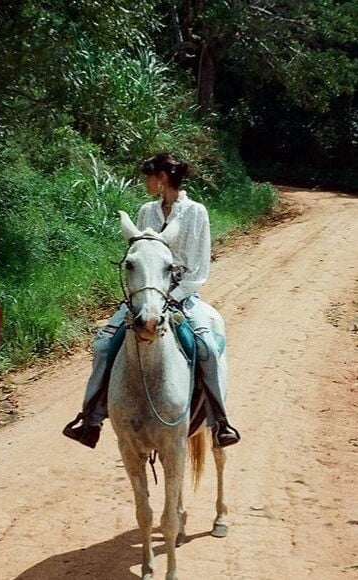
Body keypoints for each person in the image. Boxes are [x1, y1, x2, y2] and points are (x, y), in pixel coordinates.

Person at [63, 152, 241, 449]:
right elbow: (140, 259)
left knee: (207, 347)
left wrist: (170, 297)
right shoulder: (147, 211)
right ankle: (90, 419)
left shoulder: (196, 212)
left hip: (182, 296)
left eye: (148, 176)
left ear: (161, 179)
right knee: (104, 344)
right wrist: (147, 296)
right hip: (144, 295)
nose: (145, 182)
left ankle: (219, 422)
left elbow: (198, 270)